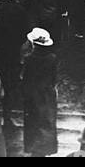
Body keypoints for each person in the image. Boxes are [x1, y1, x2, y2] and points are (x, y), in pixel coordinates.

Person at [21, 28, 58, 156]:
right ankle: (45, 149)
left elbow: (25, 78)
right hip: (47, 94)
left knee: (32, 123)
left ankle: (33, 148)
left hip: (32, 94)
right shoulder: (52, 58)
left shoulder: (28, 59)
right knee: (47, 121)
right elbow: (54, 78)